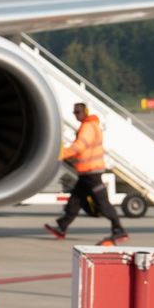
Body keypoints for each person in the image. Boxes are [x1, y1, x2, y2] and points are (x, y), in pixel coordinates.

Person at [43, 102, 129, 246]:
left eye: (78, 112)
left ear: (85, 112)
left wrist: (60, 153)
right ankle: (61, 227)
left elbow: (79, 147)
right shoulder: (89, 125)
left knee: (102, 203)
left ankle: (118, 229)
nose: (76, 115)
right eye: (74, 112)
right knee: (75, 200)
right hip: (85, 172)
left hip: (91, 172)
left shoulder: (88, 127)